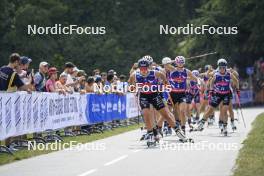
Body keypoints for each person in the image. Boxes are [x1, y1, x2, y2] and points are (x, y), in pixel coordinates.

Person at [129, 57, 189, 143]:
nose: (143, 71)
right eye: (141, 69)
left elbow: (164, 78)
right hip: (144, 96)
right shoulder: (134, 75)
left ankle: (178, 132)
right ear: (139, 68)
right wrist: (133, 89)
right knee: (146, 114)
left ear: (148, 67)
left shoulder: (155, 73)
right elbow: (130, 84)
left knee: (166, 115)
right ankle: (150, 134)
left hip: (155, 95)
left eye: (145, 68)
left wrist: (166, 85)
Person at [197, 59, 239, 136]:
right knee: (210, 109)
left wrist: (237, 88)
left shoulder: (229, 73)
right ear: (218, 67)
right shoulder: (216, 74)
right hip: (217, 94)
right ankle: (202, 122)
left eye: (223, 67)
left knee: (225, 110)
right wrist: (211, 90)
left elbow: (236, 80)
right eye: (220, 67)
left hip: (226, 94)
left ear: (225, 67)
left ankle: (225, 127)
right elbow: (211, 81)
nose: (222, 69)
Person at [165, 56, 198, 134]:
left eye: (182, 62)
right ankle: (167, 127)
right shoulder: (172, 69)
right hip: (172, 94)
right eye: (179, 62)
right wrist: (172, 61)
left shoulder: (186, 71)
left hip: (182, 94)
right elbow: (166, 65)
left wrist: (192, 80)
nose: (180, 64)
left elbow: (195, 79)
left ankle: (183, 129)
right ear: (176, 63)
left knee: (182, 111)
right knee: (168, 111)